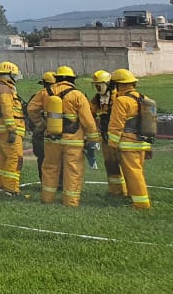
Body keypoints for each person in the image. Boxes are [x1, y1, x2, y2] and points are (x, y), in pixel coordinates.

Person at [40, 66, 100, 207]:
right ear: (72, 79)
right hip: (73, 141)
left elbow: (31, 108)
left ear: (57, 78)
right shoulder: (77, 95)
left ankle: (47, 199)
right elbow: (88, 121)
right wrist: (93, 139)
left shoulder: (45, 92)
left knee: (50, 168)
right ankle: (70, 202)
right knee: (73, 170)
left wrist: (41, 124)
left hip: (52, 139)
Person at [107, 69, 152, 210]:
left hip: (128, 144)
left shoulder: (122, 101)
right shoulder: (145, 99)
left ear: (119, 85)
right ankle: (133, 196)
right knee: (137, 171)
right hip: (142, 143)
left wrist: (112, 144)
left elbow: (116, 125)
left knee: (133, 173)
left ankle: (141, 203)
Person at [0, 61, 25, 194]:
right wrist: (12, 129)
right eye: (14, 75)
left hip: (2, 128)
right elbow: (7, 109)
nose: (16, 77)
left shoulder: (2, 87)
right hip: (9, 129)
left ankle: (0, 183)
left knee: (5, 156)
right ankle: (11, 189)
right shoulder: (5, 89)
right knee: (15, 157)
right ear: (8, 74)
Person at [91, 70, 126, 197]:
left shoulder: (119, 97)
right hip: (106, 137)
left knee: (125, 164)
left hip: (121, 137)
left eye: (99, 85)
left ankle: (128, 191)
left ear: (107, 84)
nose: (97, 87)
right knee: (110, 163)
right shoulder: (97, 99)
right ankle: (115, 191)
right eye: (95, 85)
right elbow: (90, 112)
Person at [24, 71, 55, 183]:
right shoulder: (61, 96)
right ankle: (58, 183)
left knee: (42, 158)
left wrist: (39, 125)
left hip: (40, 133)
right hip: (55, 133)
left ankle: (45, 182)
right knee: (57, 159)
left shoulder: (38, 95)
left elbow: (30, 112)